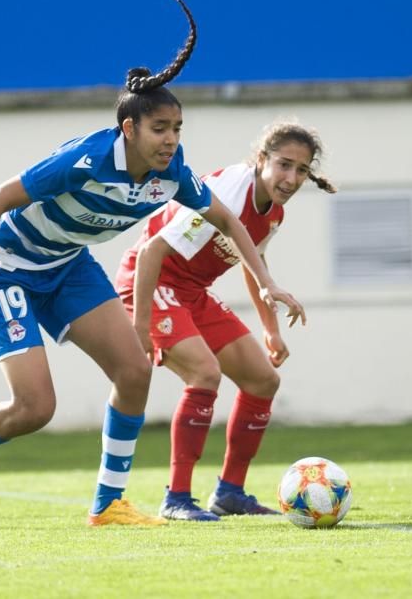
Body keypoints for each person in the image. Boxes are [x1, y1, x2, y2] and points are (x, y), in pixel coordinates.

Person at [0, 0, 305, 527]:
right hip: (8, 273)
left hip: (68, 268)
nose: (170, 139)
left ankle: (109, 504)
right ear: (128, 128)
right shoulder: (86, 159)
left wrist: (268, 284)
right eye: (160, 129)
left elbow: (228, 220)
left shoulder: (173, 174)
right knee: (35, 409)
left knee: (134, 371)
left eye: (177, 129)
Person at [114, 122, 335, 520]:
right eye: (284, 165)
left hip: (192, 293)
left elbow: (254, 263)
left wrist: (271, 329)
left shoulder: (274, 212)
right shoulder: (231, 189)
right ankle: (176, 498)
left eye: (301, 170)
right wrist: (140, 327)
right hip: (151, 282)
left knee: (263, 379)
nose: (291, 178)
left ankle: (230, 493)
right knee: (204, 373)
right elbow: (150, 253)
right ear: (262, 159)